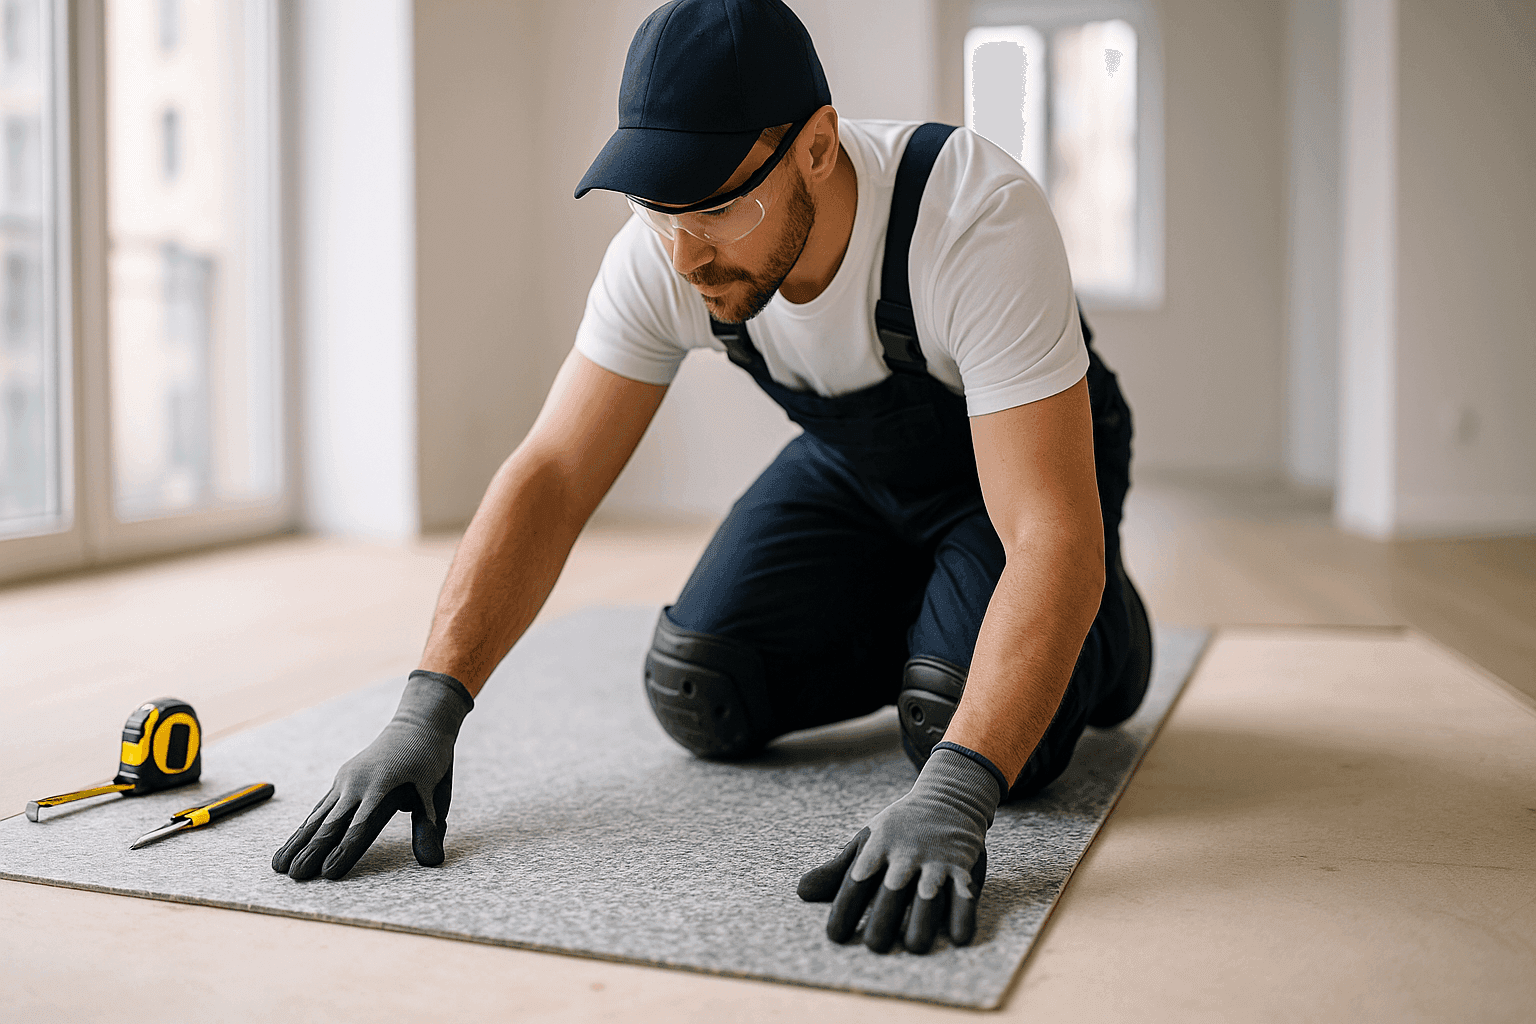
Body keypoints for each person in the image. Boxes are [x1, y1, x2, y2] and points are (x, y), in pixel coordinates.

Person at [271, 0, 1151, 957]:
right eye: (658, 209)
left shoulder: (971, 214)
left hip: (1021, 490)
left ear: (817, 147)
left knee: (957, 724)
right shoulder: (671, 254)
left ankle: (1103, 629)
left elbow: (1047, 532)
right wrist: (426, 709)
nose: (686, 254)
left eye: (719, 205)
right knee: (703, 690)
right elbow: (555, 473)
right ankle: (941, 610)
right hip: (860, 471)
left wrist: (958, 785)